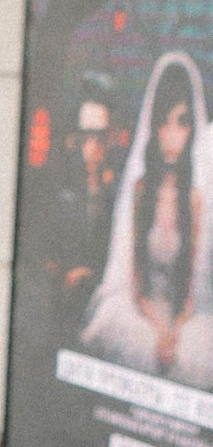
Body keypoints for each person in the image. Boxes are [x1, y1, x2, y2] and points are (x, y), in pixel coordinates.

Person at [81, 48, 213, 379]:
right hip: (144, 310)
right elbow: (135, 281)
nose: (172, 136)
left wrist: (175, 330)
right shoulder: (141, 191)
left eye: (182, 123)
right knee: (123, 329)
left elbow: (193, 287)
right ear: (152, 127)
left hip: (181, 316)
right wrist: (157, 328)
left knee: (196, 351)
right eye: (163, 123)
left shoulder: (195, 199)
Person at [52, 89, 122, 334]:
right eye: (86, 136)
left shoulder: (120, 190)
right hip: (63, 306)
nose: (93, 146)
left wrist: (90, 274)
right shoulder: (61, 188)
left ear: (111, 137)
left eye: (100, 137)